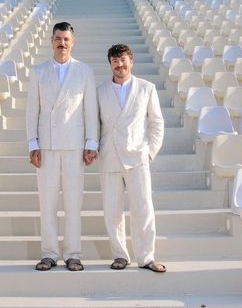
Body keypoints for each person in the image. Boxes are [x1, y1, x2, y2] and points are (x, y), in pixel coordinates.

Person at [26, 21, 98, 272]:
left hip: (74, 145)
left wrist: (91, 143)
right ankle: (48, 253)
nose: (62, 43)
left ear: (73, 42)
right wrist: (32, 143)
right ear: (51, 40)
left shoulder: (84, 71)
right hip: (46, 146)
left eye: (66, 39)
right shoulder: (38, 72)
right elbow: (31, 111)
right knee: (47, 202)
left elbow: (90, 109)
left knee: (73, 202)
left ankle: (73, 253)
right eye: (58, 38)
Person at [97, 43, 166, 272]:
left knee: (143, 208)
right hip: (110, 157)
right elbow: (95, 124)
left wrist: (150, 151)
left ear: (131, 61)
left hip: (138, 157)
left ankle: (146, 257)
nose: (119, 64)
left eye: (123, 60)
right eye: (115, 61)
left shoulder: (147, 88)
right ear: (110, 64)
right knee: (112, 211)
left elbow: (157, 122)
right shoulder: (100, 91)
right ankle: (120, 256)